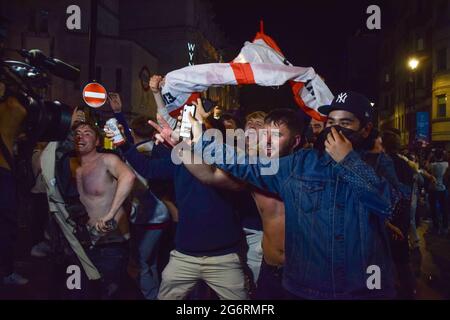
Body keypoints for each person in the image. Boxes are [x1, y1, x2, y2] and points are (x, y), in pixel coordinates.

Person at [189, 91, 398, 299]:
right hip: (305, 288)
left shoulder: (380, 165)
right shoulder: (302, 163)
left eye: (345, 123)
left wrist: (348, 161)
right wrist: (203, 141)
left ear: (365, 129)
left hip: (363, 290)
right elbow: (248, 166)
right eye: (331, 122)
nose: (335, 129)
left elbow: (390, 206)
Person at [106, 76, 248, 300]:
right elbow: (148, 168)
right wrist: (124, 145)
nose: (190, 129)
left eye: (198, 126)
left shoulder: (228, 157)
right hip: (184, 256)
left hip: (224, 257)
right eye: (189, 126)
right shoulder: (179, 157)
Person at [107, 93, 173, 300]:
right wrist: (118, 115)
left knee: (142, 263)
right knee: (155, 261)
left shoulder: (136, 156)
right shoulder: (160, 151)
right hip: (162, 216)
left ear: (134, 134)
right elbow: (129, 141)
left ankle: (152, 296)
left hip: (147, 217)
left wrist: (119, 116)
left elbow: (127, 145)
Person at [74, 121, 135, 299]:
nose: (81, 136)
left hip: (110, 245)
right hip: (83, 245)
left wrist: (110, 214)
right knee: (81, 293)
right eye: (77, 132)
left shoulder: (107, 160)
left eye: (87, 133)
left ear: (97, 142)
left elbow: (128, 176)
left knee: (109, 294)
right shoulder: (71, 166)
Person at [428, 148, 449, 235]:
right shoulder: (446, 164)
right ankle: (445, 227)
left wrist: (430, 157)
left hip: (433, 189)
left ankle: (436, 228)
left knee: (433, 209)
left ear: (435, 156)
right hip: (443, 189)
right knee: (445, 209)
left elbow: (426, 167)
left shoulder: (432, 165)